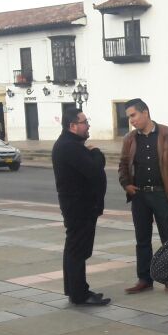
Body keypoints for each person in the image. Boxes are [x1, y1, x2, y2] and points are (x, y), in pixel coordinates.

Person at [117, 98, 168, 296]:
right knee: (142, 240)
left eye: (133, 115)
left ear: (145, 112)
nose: (131, 120)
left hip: (161, 193)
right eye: (129, 117)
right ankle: (144, 279)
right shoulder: (130, 139)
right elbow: (123, 164)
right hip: (139, 196)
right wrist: (126, 184)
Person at [52, 109, 111, 307]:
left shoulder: (71, 145)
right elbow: (93, 170)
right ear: (73, 126)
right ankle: (80, 294)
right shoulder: (69, 147)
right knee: (78, 251)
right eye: (85, 122)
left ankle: (74, 290)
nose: (88, 126)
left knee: (74, 249)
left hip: (78, 206)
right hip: (80, 208)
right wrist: (95, 152)